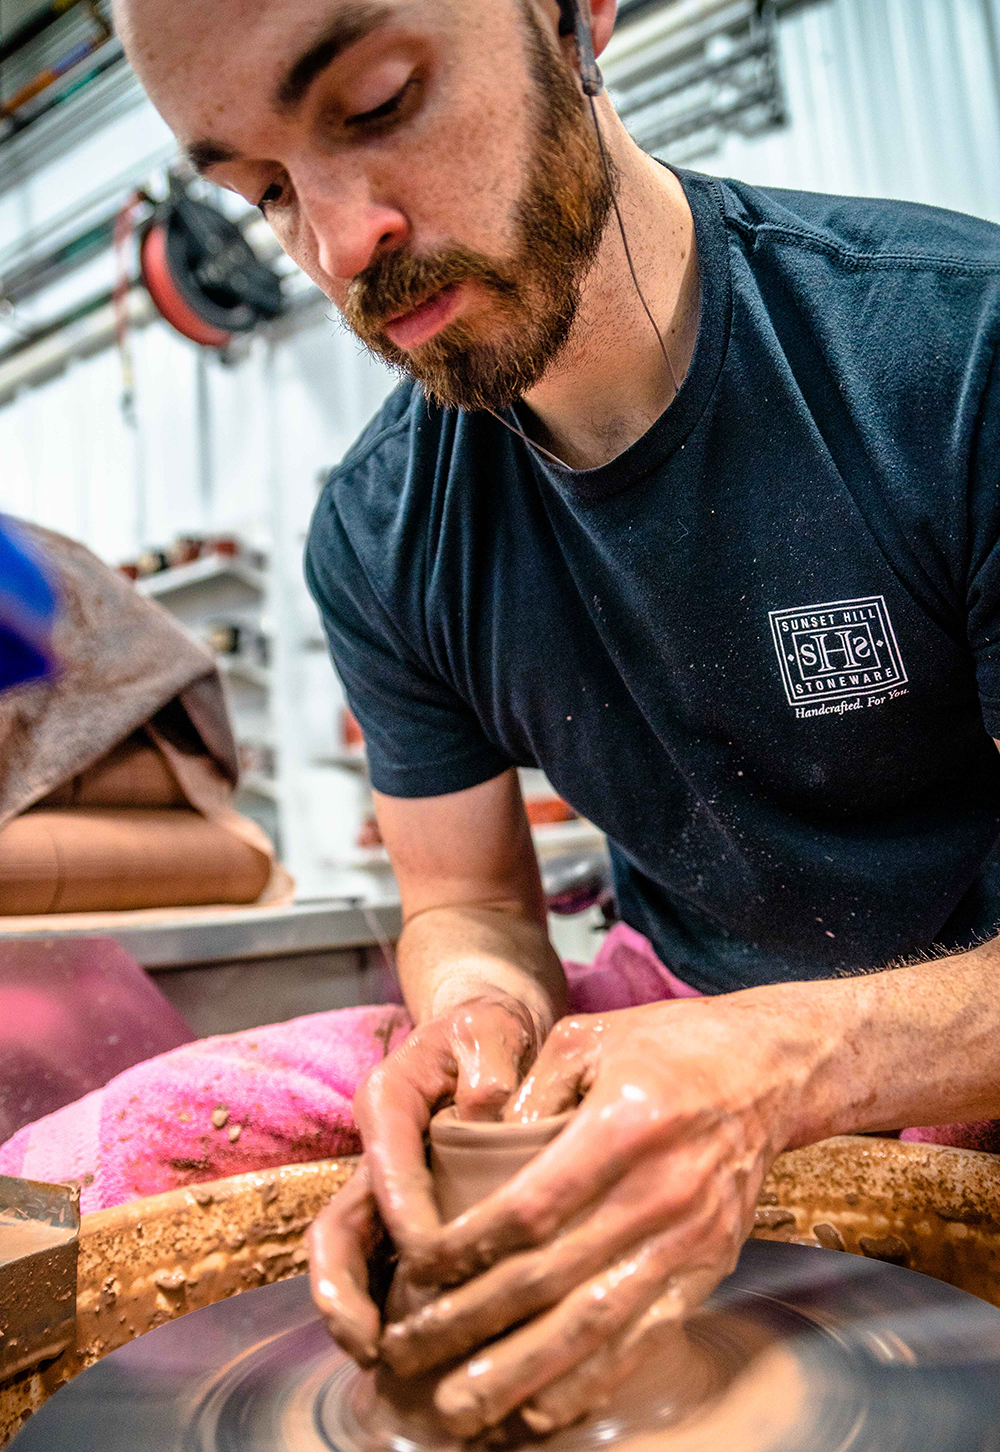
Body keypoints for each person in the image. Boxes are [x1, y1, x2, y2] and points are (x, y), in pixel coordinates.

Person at [116, 0, 1000, 1435]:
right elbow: (468, 904)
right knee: (153, 1137)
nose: (338, 248)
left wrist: (787, 1068)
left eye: (380, 101)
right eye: (265, 191)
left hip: (958, 1025)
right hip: (666, 1010)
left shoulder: (951, 353)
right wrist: (475, 1021)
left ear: (579, 16)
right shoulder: (379, 532)